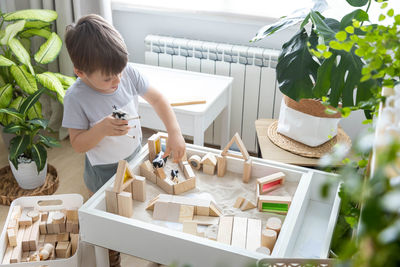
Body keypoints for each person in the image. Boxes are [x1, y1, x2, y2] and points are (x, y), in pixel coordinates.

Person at [62, 14, 186, 267]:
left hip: (134, 157)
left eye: (119, 72)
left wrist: (174, 131)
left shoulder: (126, 72)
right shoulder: (76, 97)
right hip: (102, 171)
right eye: (108, 78)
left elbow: (158, 99)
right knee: (107, 221)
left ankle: (150, 252)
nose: (117, 81)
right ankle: (111, 256)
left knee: (136, 208)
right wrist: (101, 129)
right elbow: (77, 144)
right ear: (80, 72)